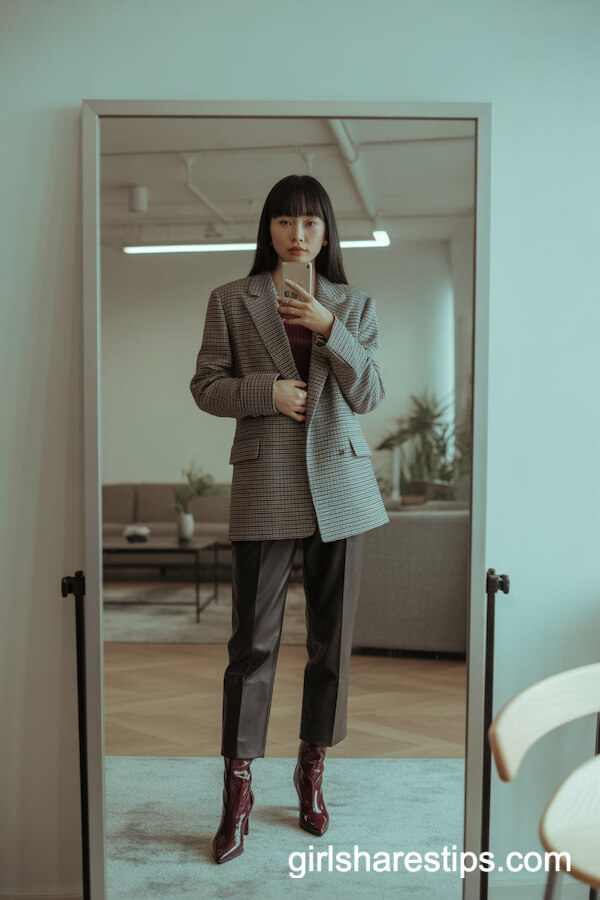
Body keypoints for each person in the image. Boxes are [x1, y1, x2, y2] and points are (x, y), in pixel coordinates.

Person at [189, 174, 389, 864]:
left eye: (309, 222)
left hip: (341, 485)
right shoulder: (231, 300)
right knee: (253, 648)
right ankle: (238, 791)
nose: (296, 233)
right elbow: (206, 388)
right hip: (265, 486)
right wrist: (266, 392)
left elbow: (368, 393)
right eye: (283, 221)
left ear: (327, 234)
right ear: (268, 229)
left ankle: (311, 771)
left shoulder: (353, 306)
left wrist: (331, 331)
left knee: (331, 644)